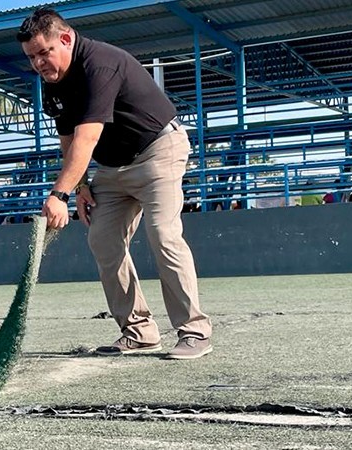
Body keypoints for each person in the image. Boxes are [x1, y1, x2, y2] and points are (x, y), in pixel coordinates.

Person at [17, 8, 212, 360]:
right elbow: (68, 139)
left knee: (162, 234)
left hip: (157, 152)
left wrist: (58, 194)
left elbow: (87, 138)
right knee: (102, 239)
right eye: (31, 57)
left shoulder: (100, 64)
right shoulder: (52, 83)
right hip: (112, 167)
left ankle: (194, 331)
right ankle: (138, 330)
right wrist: (79, 187)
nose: (39, 64)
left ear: (65, 38)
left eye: (44, 52)